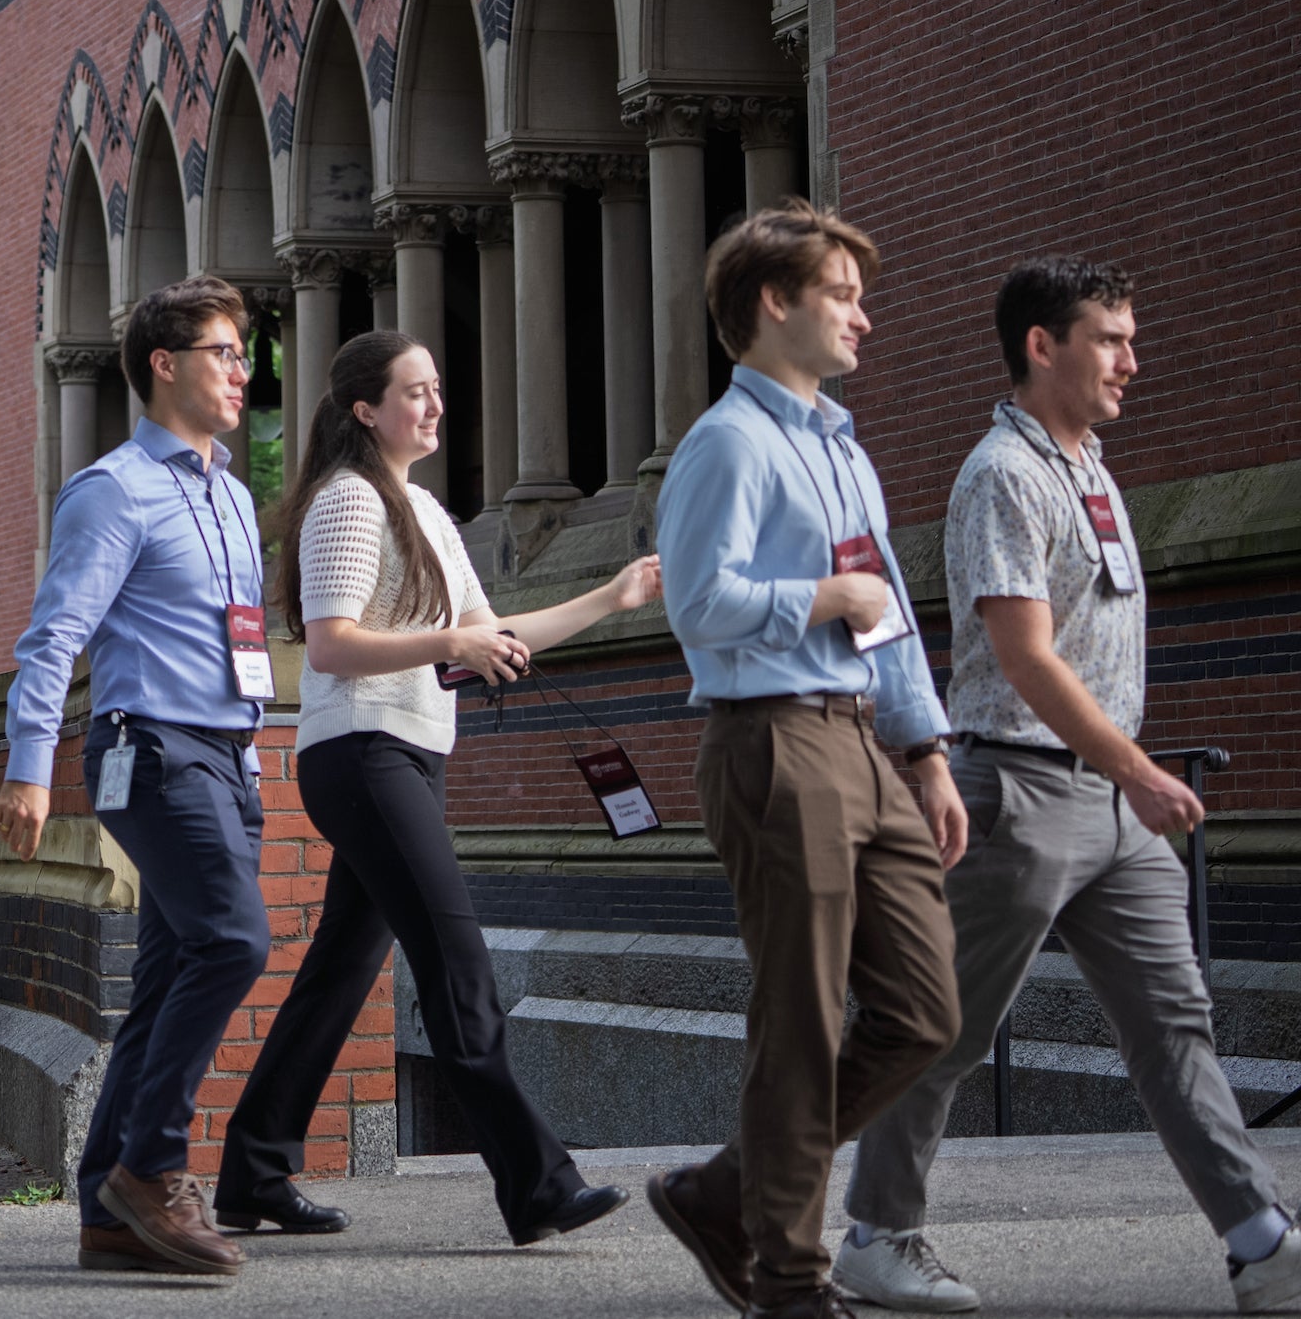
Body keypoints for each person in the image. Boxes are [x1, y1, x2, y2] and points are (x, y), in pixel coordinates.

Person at [837, 257, 1301, 1315]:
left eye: (1131, 338)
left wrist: (1125, 775)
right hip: (1017, 792)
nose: (1132, 361)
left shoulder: (1090, 467)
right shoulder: (1004, 473)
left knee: (1174, 1022)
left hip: (1108, 803)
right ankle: (875, 1233)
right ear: (1042, 345)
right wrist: (1139, 769)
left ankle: (1262, 1239)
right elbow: (1026, 655)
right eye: (1109, 338)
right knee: (943, 1028)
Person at [217, 329, 657, 1242]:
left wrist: (612, 598)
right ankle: (536, 1184)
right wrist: (447, 643)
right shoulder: (347, 501)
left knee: (339, 970)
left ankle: (253, 1168)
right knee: (459, 966)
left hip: (408, 755)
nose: (434, 405)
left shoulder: (424, 510)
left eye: (437, 388)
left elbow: (493, 637)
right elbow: (331, 645)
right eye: (414, 391)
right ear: (364, 409)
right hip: (363, 754)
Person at [649, 203, 964, 1319]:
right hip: (773, 738)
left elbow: (888, 617)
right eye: (842, 293)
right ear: (774, 302)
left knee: (926, 1012)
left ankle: (726, 1190)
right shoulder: (725, 444)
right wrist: (816, 598)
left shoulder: (844, 448)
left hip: (863, 741)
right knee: (801, 1015)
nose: (862, 317)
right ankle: (790, 1275)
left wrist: (924, 747)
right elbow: (697, 602)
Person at [0, 274, 275, 1277]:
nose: (243, 370)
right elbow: (54, 636)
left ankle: (108, 1209)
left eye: (244, 353)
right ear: (164, 363)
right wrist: (28, 769)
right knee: (237, 939)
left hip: (225, 754)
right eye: (223, 352)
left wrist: (250, 755)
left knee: (167, 973)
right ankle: (152, 1169)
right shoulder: (113, 489)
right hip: (144, 749)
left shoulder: (235, 494)